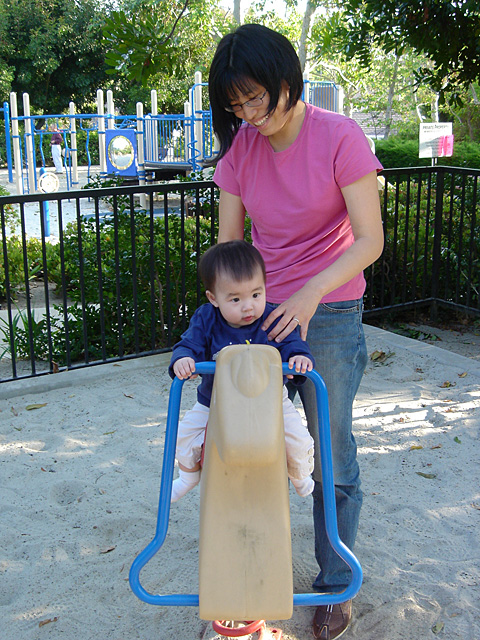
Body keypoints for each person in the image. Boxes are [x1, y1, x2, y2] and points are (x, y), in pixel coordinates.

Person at [208, 24, 384, 640]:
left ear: (287, 80)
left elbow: (370, 240)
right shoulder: (242, 151)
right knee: (248, 446)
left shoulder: (340, 136)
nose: (249, 114)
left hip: (328, 311)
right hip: (257, 312)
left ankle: (336, 584)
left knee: (327, 450)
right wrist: (219, 316)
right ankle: (250, 573)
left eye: (256, 97)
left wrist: (309, 293)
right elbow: (231, 247)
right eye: (236, 104)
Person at [169, 240, 315, 502]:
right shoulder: (206, 319)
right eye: (235, 299)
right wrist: (183, 360)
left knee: (298, 438)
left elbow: (293, 342)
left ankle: (299, 474)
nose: (248, 306)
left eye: (256, 294)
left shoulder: (271, 317)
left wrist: (299, 357)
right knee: (183, 435)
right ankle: (189, 476)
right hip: (214, 401)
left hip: (270, 401)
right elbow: (187, 344)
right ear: (213, 298)